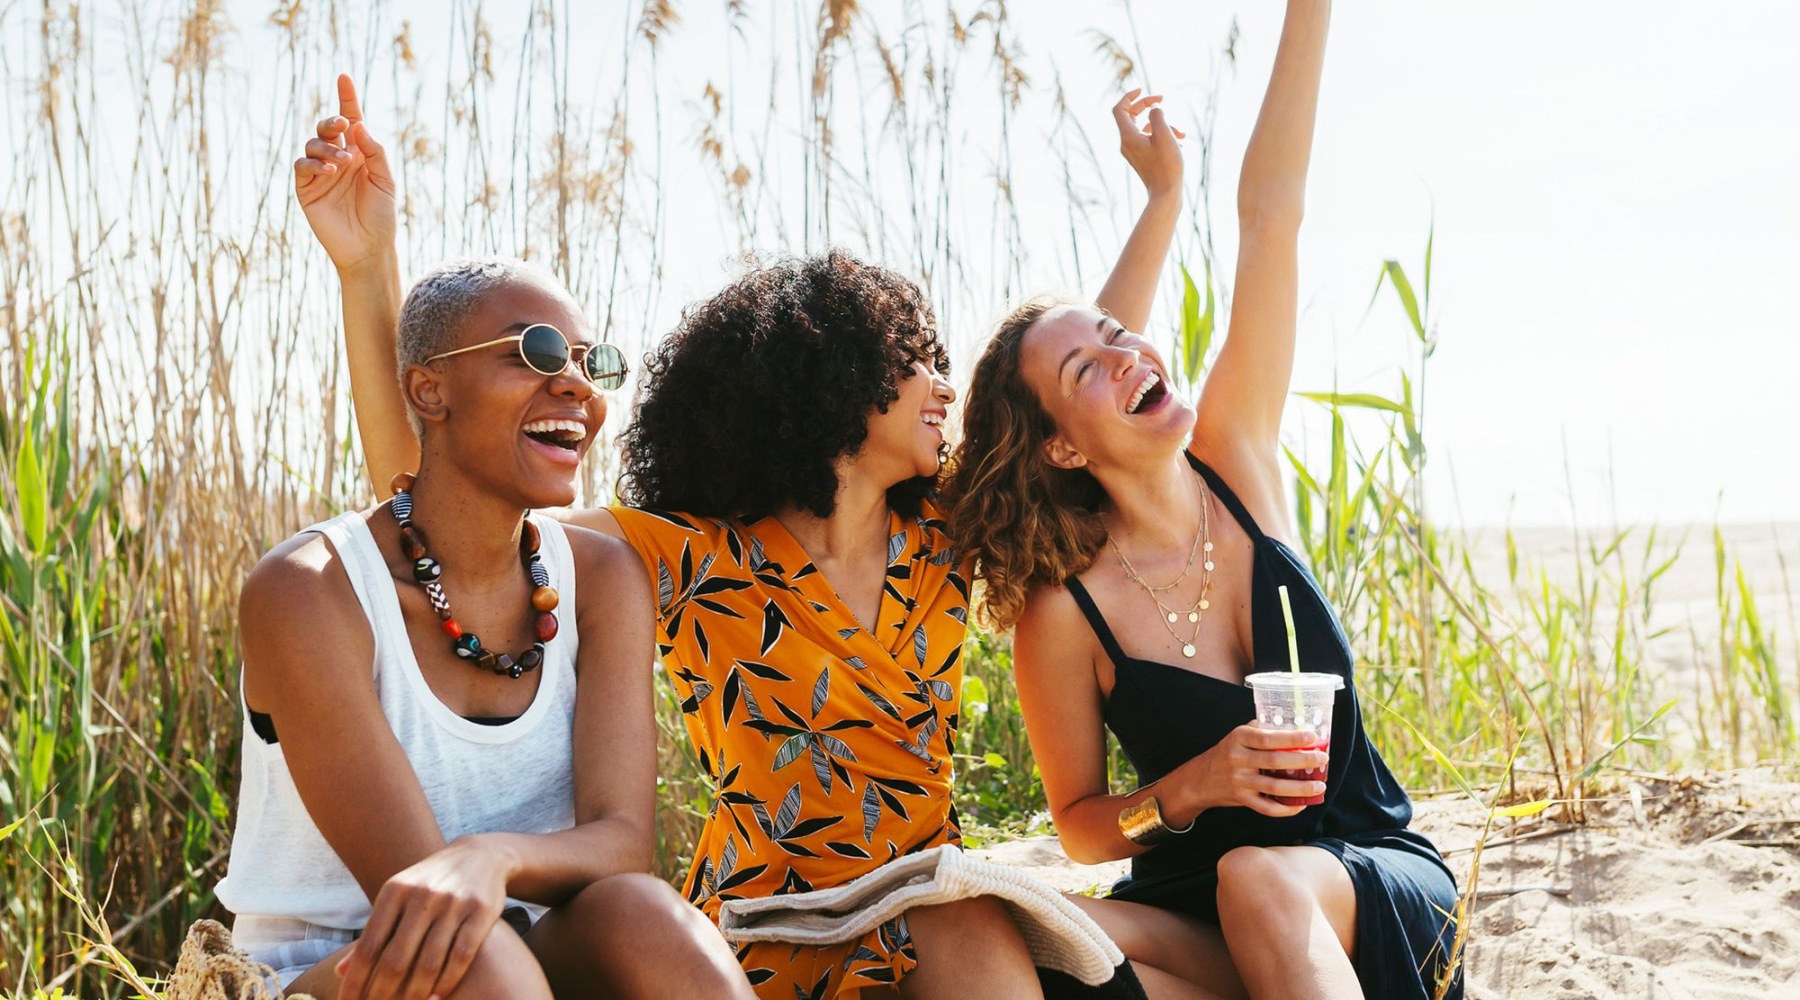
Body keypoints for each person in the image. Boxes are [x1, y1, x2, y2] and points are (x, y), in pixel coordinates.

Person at [297, 73, 1200, 998]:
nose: (943, 388)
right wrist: (368, 272)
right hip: (761, 943)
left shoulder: (942, 534)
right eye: (915, 362)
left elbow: (1080, 390)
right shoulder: (691, 559)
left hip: (932, 922)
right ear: (834, 385)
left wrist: (1161, 200)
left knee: (979, 927)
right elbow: (430, 488)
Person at [946, 2, 1462, 999]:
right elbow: (1082, 824)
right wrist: (1192, 786)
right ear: (1059, 441)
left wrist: (1170, 191)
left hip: (1362, 872)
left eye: (1118, 327)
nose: (1133, 347)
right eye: (1091, 365)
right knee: (1027, 933)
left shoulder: (1239, 458)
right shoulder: (1066, 611)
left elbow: (1273, 210)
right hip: (1199, 910)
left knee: (1258, 877)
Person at [216, 253, 756, 1000]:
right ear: (429, 389)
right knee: (480, 962)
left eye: (588, 362)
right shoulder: (308, 589)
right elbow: (419, 895)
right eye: (533, 351)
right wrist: (479, 871)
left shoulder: (603, 579)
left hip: (525, 951)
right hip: (332, 968)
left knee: (652, 922)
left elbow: (624, 844)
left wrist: (493, 856)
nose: (572, 384)